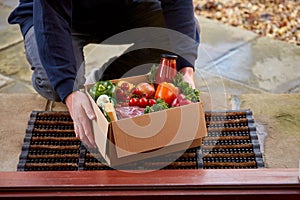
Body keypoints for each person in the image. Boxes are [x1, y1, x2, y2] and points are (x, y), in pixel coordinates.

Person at [8, 0, 200, 149]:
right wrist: (69, 91)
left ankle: (103, 80)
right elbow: (52, 16)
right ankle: (59, 76)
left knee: (174, 39)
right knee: (56, 83)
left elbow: (178, 4)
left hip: (121, 8)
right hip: (52, 15)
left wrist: (186, 70)